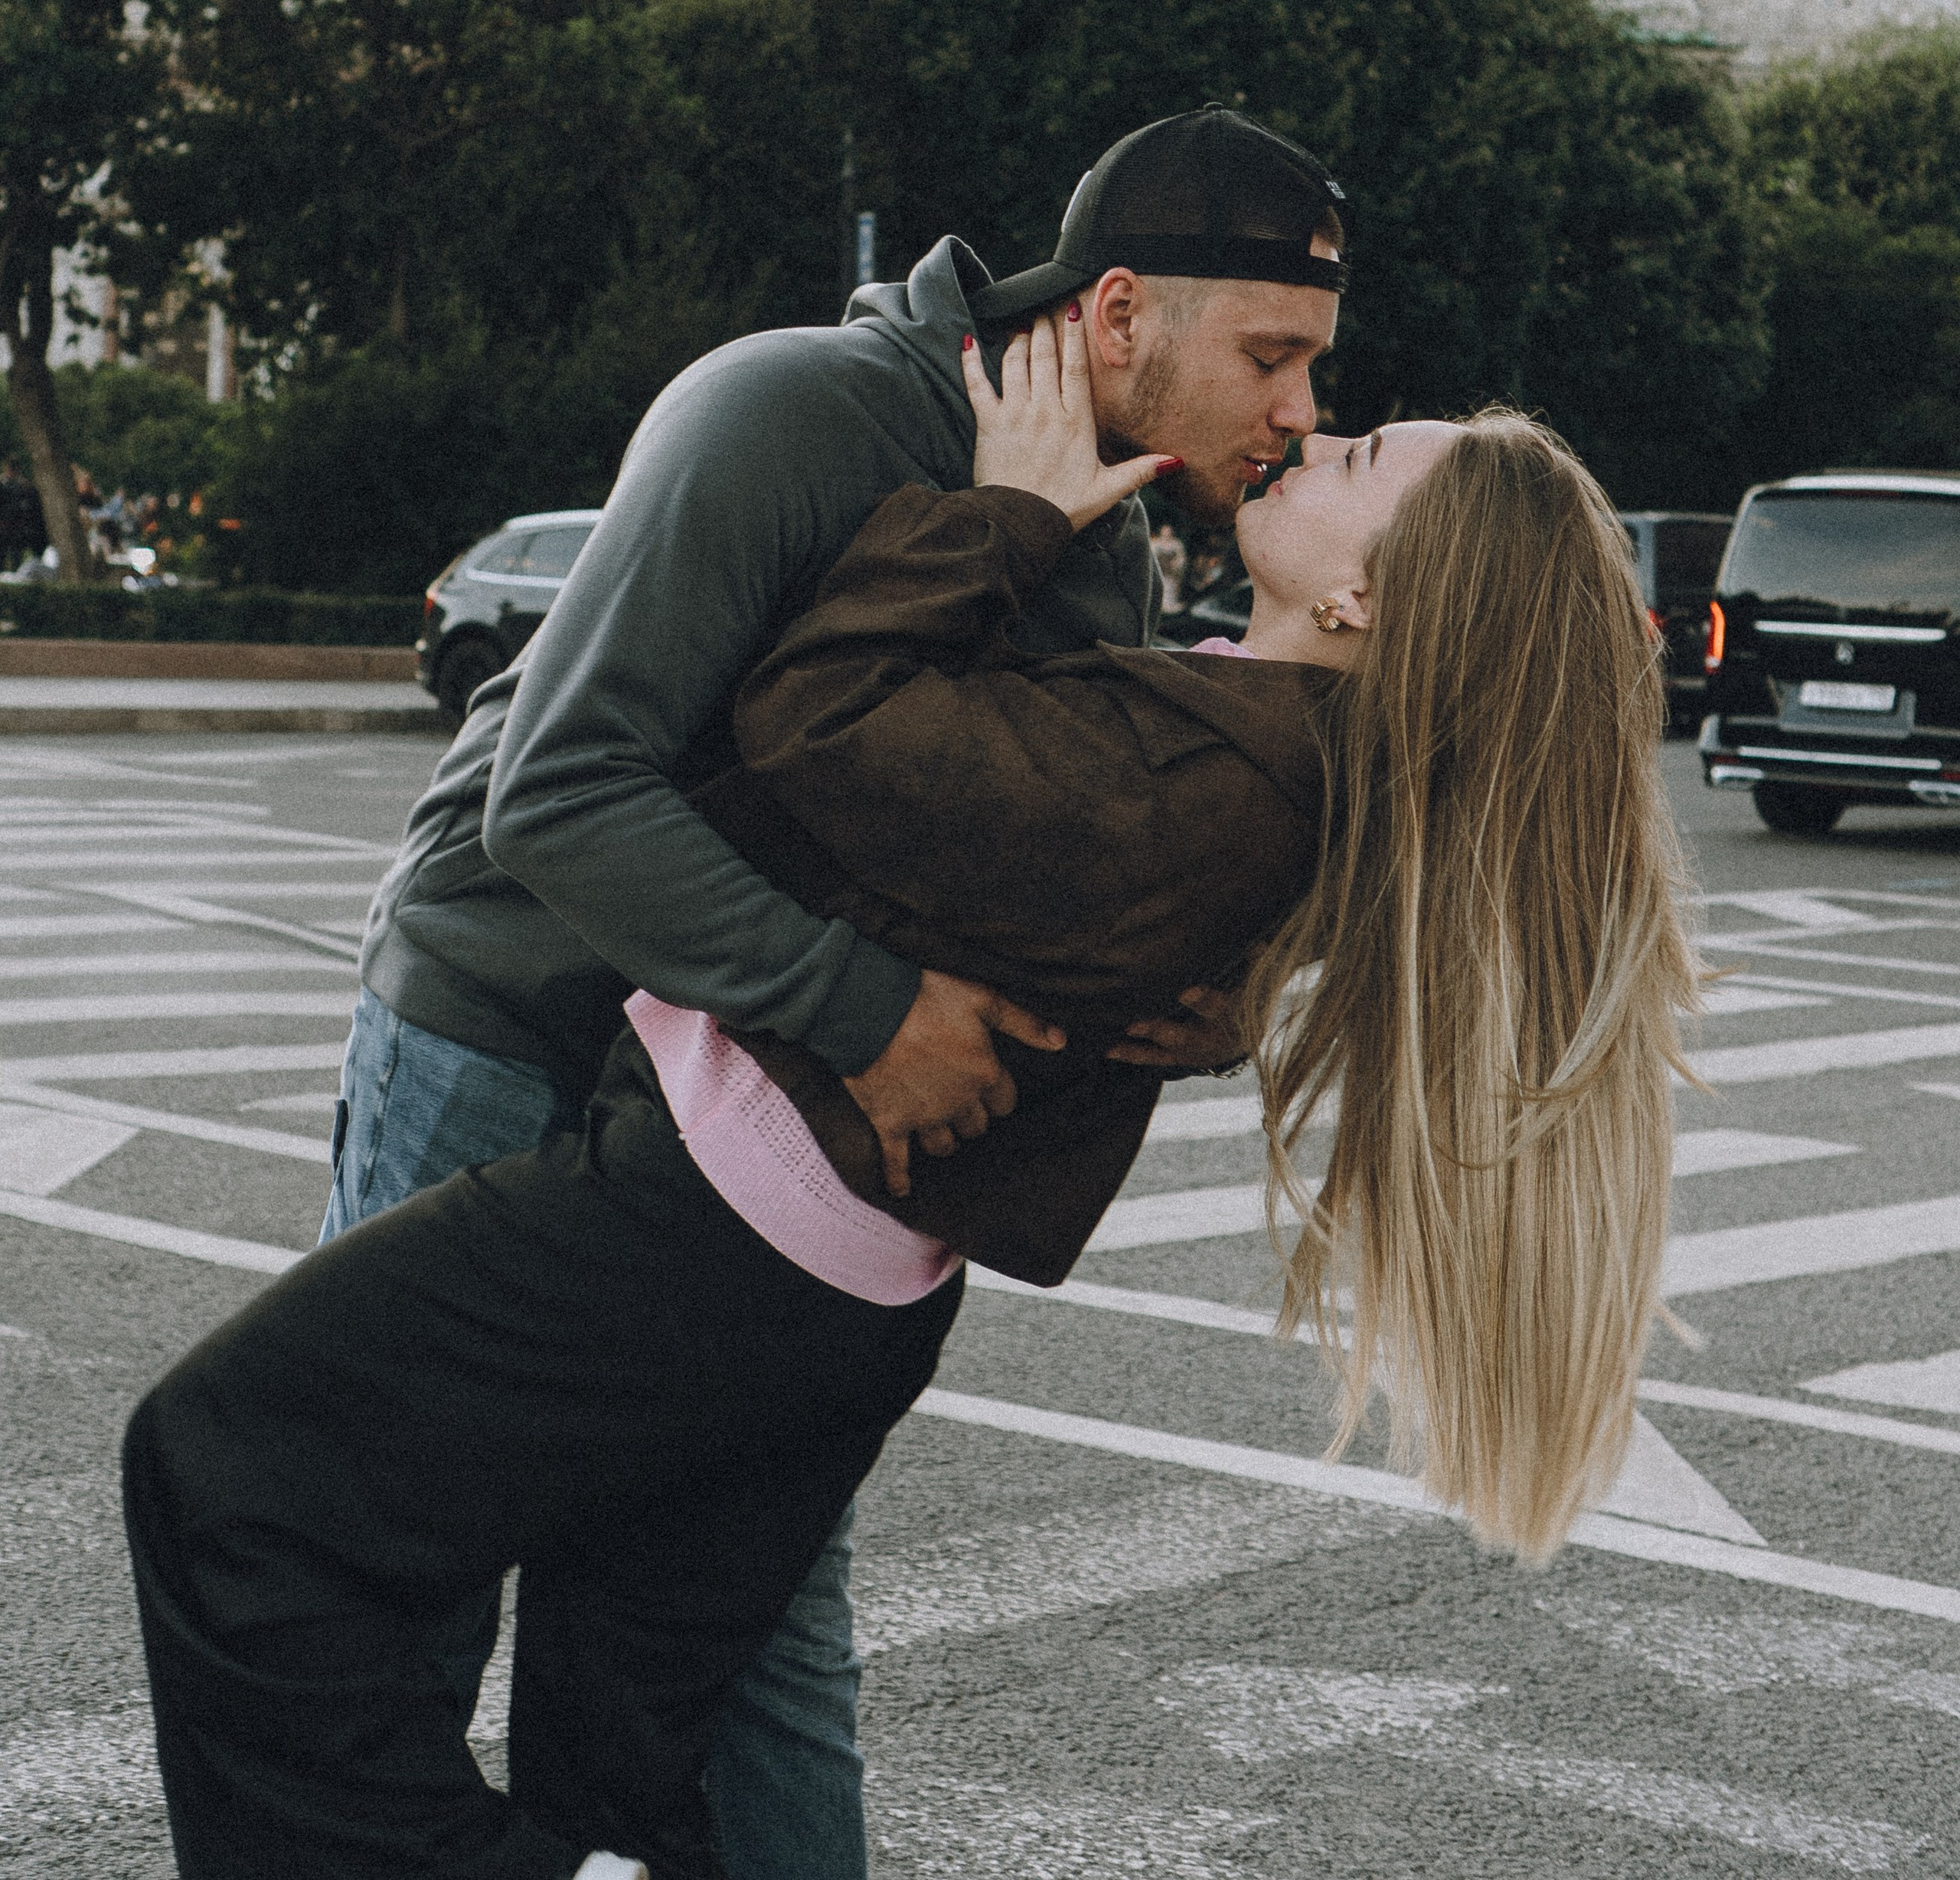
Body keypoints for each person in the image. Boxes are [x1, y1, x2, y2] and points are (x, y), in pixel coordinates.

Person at [124, 319, 1695, 1880]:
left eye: (1357, 460)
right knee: (623, 1753)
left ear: (1362, 599)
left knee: (224, 1476)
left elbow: (816, 723)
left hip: (712, 1225)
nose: (1312, 431)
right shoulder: (1262, 755)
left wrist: (1003, 516)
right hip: (827, 1283)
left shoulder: (1195, 773)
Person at [314, 105, 1350, 1878]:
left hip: (744, 1115)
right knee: (397, 1573)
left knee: (749, 1635)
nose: (1299, 412)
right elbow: (553, 796)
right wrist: (864, 1007)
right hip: (513, 1027)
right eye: (1269, 357)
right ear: (1117, 313)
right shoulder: (792, 407)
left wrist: (1204, 996)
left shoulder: (1104, 540)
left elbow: (1004, 837)